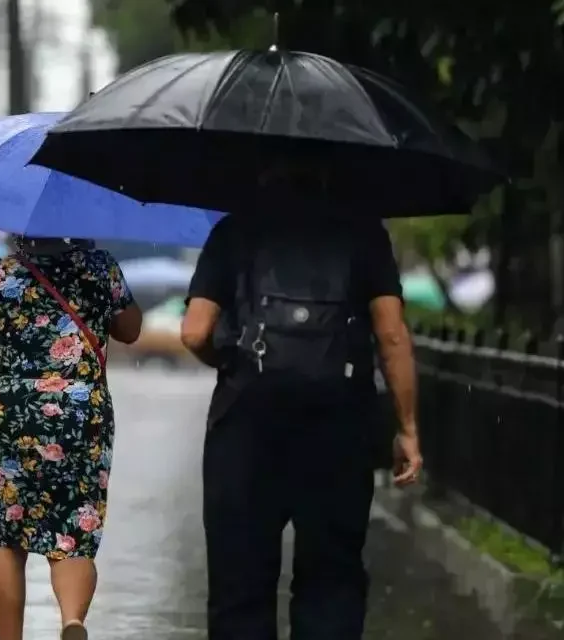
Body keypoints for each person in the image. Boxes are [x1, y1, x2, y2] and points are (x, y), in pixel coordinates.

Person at [179, 170, 422, 640]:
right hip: (339, 427)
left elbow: (194, 331)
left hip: (246, 425)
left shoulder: (235, 230)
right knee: (332, 584)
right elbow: (391, 336)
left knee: (240, 588)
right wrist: (406, 427)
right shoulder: (364, 233)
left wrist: (231, 363)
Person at [0, 235, 143, 640]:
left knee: (7, 539)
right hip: (80, 411)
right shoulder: (100, 267)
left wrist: (21, 369)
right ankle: (72, 620)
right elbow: (130, 330)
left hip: (11, 410)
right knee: (75, 530)